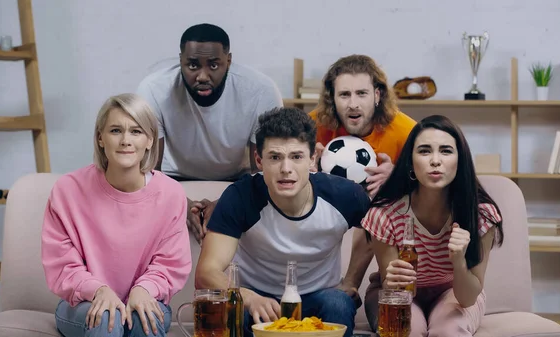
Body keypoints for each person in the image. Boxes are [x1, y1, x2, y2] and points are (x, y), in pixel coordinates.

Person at [194, 107, 371, 337]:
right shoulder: (241, 196)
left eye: (296, 157)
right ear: (259, 160)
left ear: (312, 159)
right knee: (234, 310)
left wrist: (351, 280)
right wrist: (248, 297)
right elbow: (206, 272)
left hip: (318, 296)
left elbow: (376, 231)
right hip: (256, 299)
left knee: (338, 304)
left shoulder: (344, 195)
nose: (286, 169)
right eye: (275, 157)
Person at [41, 93, 192, 337]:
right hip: (83, 304)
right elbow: (62, 265)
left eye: (136, 131)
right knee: (107, 319)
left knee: (145, 320)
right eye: (115, 130)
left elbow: (170, 263)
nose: (125, 140)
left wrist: (144, 289)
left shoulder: (171, 194)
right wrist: (99, 290)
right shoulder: (67, 190)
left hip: (146, 299)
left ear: (150, 140)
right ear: (100, 138)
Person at [137, 23, 283, 245]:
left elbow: (266, 171)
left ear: (229, 60)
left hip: (237, 179)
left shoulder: (261, 91)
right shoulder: (154, 89)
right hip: (174, 178)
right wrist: (178, 203)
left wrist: (228, 202)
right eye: (193, 65)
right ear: (180, 60)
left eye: (214, 65)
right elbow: (146, 170)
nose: (203, 76)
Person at [360, 114, 504, 336]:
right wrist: (394, 279)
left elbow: (466, 299)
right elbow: (395, 291)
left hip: (452, 292)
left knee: (449, 330)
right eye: (424, 151)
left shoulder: (481, 215)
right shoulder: (384, 214)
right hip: (397, 293)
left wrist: (458, 262)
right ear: (410, 161)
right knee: (405, 330)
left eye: (446, 151)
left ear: (460, 160)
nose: (435, 160)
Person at [308, 54, 417, 307]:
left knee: (380, 202)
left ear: (378, 95)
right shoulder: (313, 126)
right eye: (344, 95)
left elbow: (437, 179)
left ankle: (350, 284)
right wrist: (307, 166)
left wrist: (399, 176)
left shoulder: (406, 131)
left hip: (382, 210)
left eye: (362, 94)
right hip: (324, 204)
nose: (353, 104)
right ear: (332, 98)